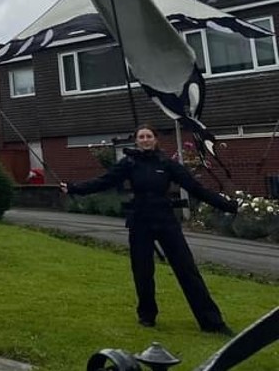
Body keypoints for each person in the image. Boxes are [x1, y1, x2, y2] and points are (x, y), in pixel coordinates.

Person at [60, 124, 237, 334]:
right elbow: (103, 182)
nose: (145, 140)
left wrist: (228, 205)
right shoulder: (129, 163)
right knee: (142, 271)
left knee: (187, 270)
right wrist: (73, 188)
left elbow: (196, 188)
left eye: (149, 136)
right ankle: (147, 316)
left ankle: (212, 322)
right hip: (140, 221)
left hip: (165, 220)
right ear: (136, 140)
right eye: (141, 137)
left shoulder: (167, 164)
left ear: (155, 139)